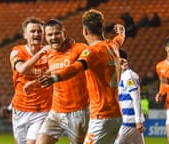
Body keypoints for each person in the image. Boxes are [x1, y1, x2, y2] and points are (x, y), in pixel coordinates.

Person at [38, 9, 125, 144]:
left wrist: (55, 78)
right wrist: (122, 33)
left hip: (101, 114)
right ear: (102, 27)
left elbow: (76, 67)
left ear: (85, 31)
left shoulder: (90, 52)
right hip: (114, 114)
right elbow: (119, 40)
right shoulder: (112, 45)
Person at [32, 19, 90, 144]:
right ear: (45, 37)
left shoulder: (79, 48)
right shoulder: (48, 54)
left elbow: (79, 67)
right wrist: (33, 83)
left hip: (78, 111)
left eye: (57, 33)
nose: (54, 37)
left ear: (64, 33)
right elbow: (53, 71)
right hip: (56, 111)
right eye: (49, 34)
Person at [9, 16, 52, 144]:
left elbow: (56, 71)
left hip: (42, 110)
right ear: (25, 35)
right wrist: (40, 54)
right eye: (32, 31)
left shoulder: (50, 54)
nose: (37, 34)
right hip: (20, 109)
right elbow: (22, 69)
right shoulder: (17, 51)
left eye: (39, 31)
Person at [115, 49, 145, 144]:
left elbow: (136, 97)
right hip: (129, 120)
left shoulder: (128, 76)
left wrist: (138, 120)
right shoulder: (122, 76)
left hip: (129, 121)